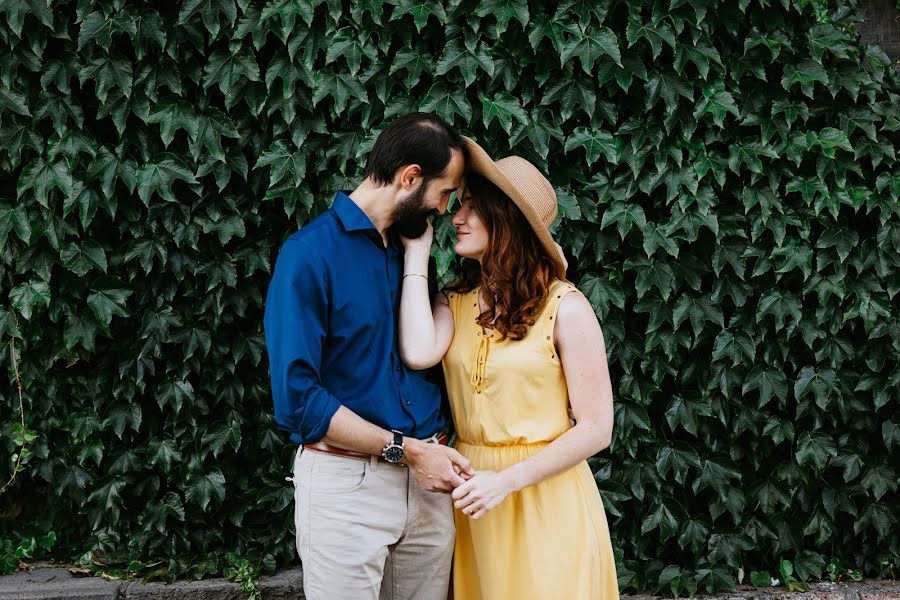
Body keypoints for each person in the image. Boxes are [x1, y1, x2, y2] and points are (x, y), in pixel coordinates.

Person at [263, 113, 475, 600]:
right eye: (444, 193)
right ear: (410, 178)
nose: (445, 210)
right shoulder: (309, 255)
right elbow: (297, 400)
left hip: (429, 489)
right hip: (347, 488)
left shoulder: (412, 250)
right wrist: (407, 450)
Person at [398, 137, 620, 599]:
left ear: (506, 219)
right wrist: (417, 253)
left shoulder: (567, 308)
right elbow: (419, 352)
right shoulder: (454, 302)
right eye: (457, 205)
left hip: (544, 500)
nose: (455, 218)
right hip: (475, 501)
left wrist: (507, 481)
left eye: (471, 207)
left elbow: (597, 428)